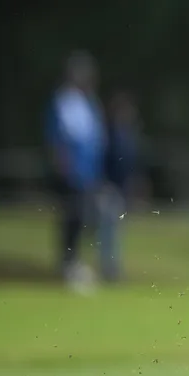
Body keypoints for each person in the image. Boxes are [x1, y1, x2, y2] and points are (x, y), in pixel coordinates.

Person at [45, 51, 106, 292]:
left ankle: (75, 261)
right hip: (73, 174)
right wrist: (63, 164)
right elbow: (57, 137)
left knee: (85, 218)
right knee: (73, 217)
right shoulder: (64, 101)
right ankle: (68, 263)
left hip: (88, 173)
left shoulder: (88, 103)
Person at [98, 90, 142, 283]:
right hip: (109, 186)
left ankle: (112, 268)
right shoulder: (109, 133)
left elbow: (131, 164)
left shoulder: (126, 134)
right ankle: (107, 268)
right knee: (108, 229)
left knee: (115, 229)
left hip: (121, 188)